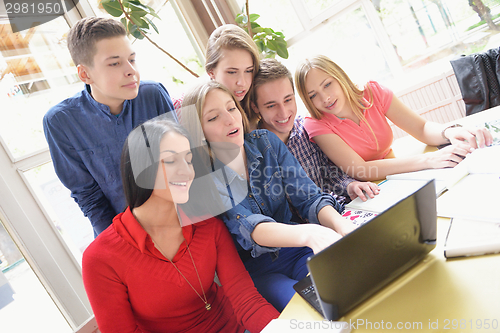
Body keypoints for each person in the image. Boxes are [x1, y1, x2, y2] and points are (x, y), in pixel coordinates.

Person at [82, 118, 279, 332]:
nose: (186, 172)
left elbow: (246, 300)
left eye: (188, 160)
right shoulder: (100, 259)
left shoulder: (206, 224)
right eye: (170, 161)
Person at [181, 80, 356, 312]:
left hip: (296, 251)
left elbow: (309, 198)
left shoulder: (266, 143)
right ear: (199, 132)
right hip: (257, 272)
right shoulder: (204, 177)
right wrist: (310, 233)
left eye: (231, 108)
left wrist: (342, 226)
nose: (229, 119)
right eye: (213, 117)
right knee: (308, 310)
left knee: (346, 288)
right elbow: (251, 228)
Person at [43, 17, 177, 236]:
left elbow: (184, 165)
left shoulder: (153, 94)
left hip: (182, 220)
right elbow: (89, 198)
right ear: (85, 74)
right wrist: (126, 246)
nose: (131, 70)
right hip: (124, 235)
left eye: (132, 59)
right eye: (115, 63)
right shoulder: (60, 122)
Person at [295, 55, 494, 181]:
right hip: (364, 188)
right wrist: (429, 160)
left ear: (339, 77)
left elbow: (422, 128)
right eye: (313, 95)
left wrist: (451, 131)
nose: (324, 97)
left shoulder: (372, 92)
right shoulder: (315, 124)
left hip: (397, 170)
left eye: (327, 84)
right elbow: (360, 170)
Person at [249, 58, 379, 203]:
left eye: (288, 100)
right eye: (271, 106)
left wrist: (350, 185)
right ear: (255, 107)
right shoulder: (255, 152)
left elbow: (329, 173)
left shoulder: (306, 130)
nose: (284, 113)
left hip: (342, 207)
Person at [205, 24, 261, 125]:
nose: (242, 82)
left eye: (249, 71)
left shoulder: (260, 99)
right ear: (211, 72)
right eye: (232, 72)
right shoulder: (202, 114)